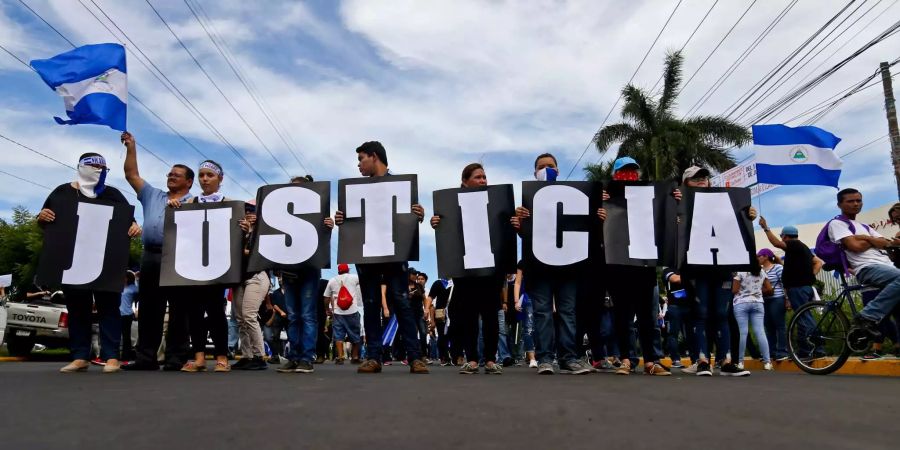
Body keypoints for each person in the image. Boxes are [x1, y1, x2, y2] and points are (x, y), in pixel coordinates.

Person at [38, 152, 142, 373]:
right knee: (77, 309)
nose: (98, 170)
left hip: (106, 263)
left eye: (102, 167)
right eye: (93, 165)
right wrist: (42, 217)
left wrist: (134, 227)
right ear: (80, 167)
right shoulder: (62, 192)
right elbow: (48, 221)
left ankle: (111, 356)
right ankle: (80, 356)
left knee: (109, 309)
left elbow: (128, 221)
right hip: (73, 261)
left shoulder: (112, 194)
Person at [334, 141, 429, 374]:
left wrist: (419, 214)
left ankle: (415, 357)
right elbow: (354, 223)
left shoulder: (400, 187)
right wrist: (342, 219)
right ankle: (374, 357)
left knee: (401, 302)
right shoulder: (357, 193)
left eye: (361, 159)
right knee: (371, 303)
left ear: (374, 157)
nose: (358, 165)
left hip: (394, 253)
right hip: (367, 254)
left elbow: (407, 219)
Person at [513, 153, 593, 375]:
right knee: (543, 313)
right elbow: (525, 237)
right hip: (539, 268)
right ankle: (546, 358)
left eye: (550, 166)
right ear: (534, 172)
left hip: (568, 266)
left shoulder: (574, 198)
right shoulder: (528, 202)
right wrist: (520, 223)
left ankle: (569, 358)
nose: (546, 169)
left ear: (558, 170)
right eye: (541, 167)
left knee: (567, 312)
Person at [670, 166, 754, 376]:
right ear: (685, 183)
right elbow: (669, 232)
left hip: (722, 267)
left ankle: (726, 361)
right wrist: (676, 206)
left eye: (704, 178)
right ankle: (702, 360)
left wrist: (747, 215)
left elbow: (738, 228)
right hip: (695, 267)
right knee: (700, 313)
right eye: (695, 178)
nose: (701, 181)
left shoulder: (723, 203)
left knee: (721, 313)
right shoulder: (678, 203)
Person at [431, 163, 512, 374]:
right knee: (469, 316)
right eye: (478, 177)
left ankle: (491, 360)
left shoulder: (495, 204)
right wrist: (439, 222)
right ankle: (473, 360)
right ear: (464, 182)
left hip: (490, 271)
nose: (483, 181)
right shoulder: (453, 207)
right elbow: (450, 235)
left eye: (485, 177)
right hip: (466, 271)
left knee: (490, 315)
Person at [121, 131, 193, 371]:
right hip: (150, 256)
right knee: (150, 308)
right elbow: (131, 174)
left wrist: (183, 210)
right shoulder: (153, 195)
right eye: (169, 173)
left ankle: (175, 358)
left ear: (188, 182)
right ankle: (146, 358)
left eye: (177, 174)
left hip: (178, 257)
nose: (170, 176)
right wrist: (131, 147)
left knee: (180, 308)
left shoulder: (195, 202)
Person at [602, 157, 669, 376]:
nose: (629, 175)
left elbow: (666, 217)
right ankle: (627, 359)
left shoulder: (649, 197)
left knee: (647, 318)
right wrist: (598, 203)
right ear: (615, 174)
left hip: (644, 264)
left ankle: (651, 360)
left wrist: (673, 199)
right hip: (617, 266)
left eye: (633, 171)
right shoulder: (605, 196)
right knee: (623, 317)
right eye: (624, 172)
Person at [169, 160, 233, 373]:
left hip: (218, 264)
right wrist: (173, 208)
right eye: (202, 175)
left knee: (215, 310)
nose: (205, 179)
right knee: (194, 311)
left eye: (209, 175)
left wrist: (244, 226)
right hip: (193, 265)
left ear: (220, 179)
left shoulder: (230, 203)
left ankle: (222, 357)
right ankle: (199, 358)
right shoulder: (189, 202)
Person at [276, 175, 334, 374]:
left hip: (309, 270)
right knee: (293, 316)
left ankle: (306, 358)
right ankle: (294, 357)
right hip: (289, 271)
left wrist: (328, 227)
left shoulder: (316, 214)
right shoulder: (281, 215)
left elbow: (322, 241)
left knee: (307, 315)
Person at [827, 189, 900, 340]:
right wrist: (874, 242)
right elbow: (855, 247)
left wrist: (865, 238)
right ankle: (866, 316)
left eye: (858, 200)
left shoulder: (865, 227)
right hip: (867, 268)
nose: (856, 204)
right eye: (850, 201)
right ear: (839, 204)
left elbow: (886, 243)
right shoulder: (837, 223)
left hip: (887, 267)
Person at [758, 217, 824, 360]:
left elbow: (775, 243)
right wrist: (809, 276)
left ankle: (817, 348)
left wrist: (765, 228)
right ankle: (804, 351)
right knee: (802, 317)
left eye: (782, 237)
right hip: (804, 286)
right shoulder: (803, 248)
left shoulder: (793, 244)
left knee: (804, 318)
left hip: (797, 288)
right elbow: (818, 263)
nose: (781, 239)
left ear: (785, 237)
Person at [231, 200, 271, 371]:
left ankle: (259, 355)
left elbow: (260, 254)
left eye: (253, 211)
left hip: (257, 276)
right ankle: (247, 355)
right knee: (240, 319)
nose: (249, 213)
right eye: (246, 211)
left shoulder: (264, 233)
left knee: (249, 315)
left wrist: (247, 236)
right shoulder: (236, 231)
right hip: (239, 278)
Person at [732, 270, 774, 371]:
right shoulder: (761, 271)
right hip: (758, 303)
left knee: (743, 332)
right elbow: (769, 289)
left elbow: (734, 290)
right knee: (760, 332)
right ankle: (767, 362)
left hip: (741, 303)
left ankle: (741, 362)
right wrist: (756, 292)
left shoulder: (740, 272)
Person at [323, 264, 363, 364]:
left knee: (338, 335)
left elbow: (326, 297)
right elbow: (364, 280)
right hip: (352, 311)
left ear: (338, 271)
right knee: (355, 334)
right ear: (348, 270)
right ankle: (355, 357)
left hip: (338, 312)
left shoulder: (332, 280)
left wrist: (327, 309)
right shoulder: (354, 277)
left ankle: (340, 357)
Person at [756, 249, 788, 362]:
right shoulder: (759, 270)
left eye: (759, 256)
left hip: (777, 299)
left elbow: (785, 283)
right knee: (768, 327)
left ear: (765, 256)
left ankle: (783, 350)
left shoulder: (778, 268)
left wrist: (787, 299)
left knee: (780, 325)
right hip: (764, 300)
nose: (757, 258)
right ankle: (771, 351)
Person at [264, 273, 289, 364]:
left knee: (291, 336)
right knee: (275, 337)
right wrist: (281, 312)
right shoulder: (275, 293)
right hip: (278, 317)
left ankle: (292, 356)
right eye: (279, 279)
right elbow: (274, 304)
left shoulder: (290, 292)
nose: (280, 281)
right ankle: (275, 356)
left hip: (289, 317)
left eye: (281, 279)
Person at [120, 271, 138, 361]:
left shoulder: (133, 288)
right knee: (116, 335)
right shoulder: (119, 287)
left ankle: (126, 356)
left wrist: (137, 278)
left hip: (127, 314)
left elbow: (140, 293)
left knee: (126, 335)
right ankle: (114, 355)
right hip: (117, 313)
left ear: (128, 278)